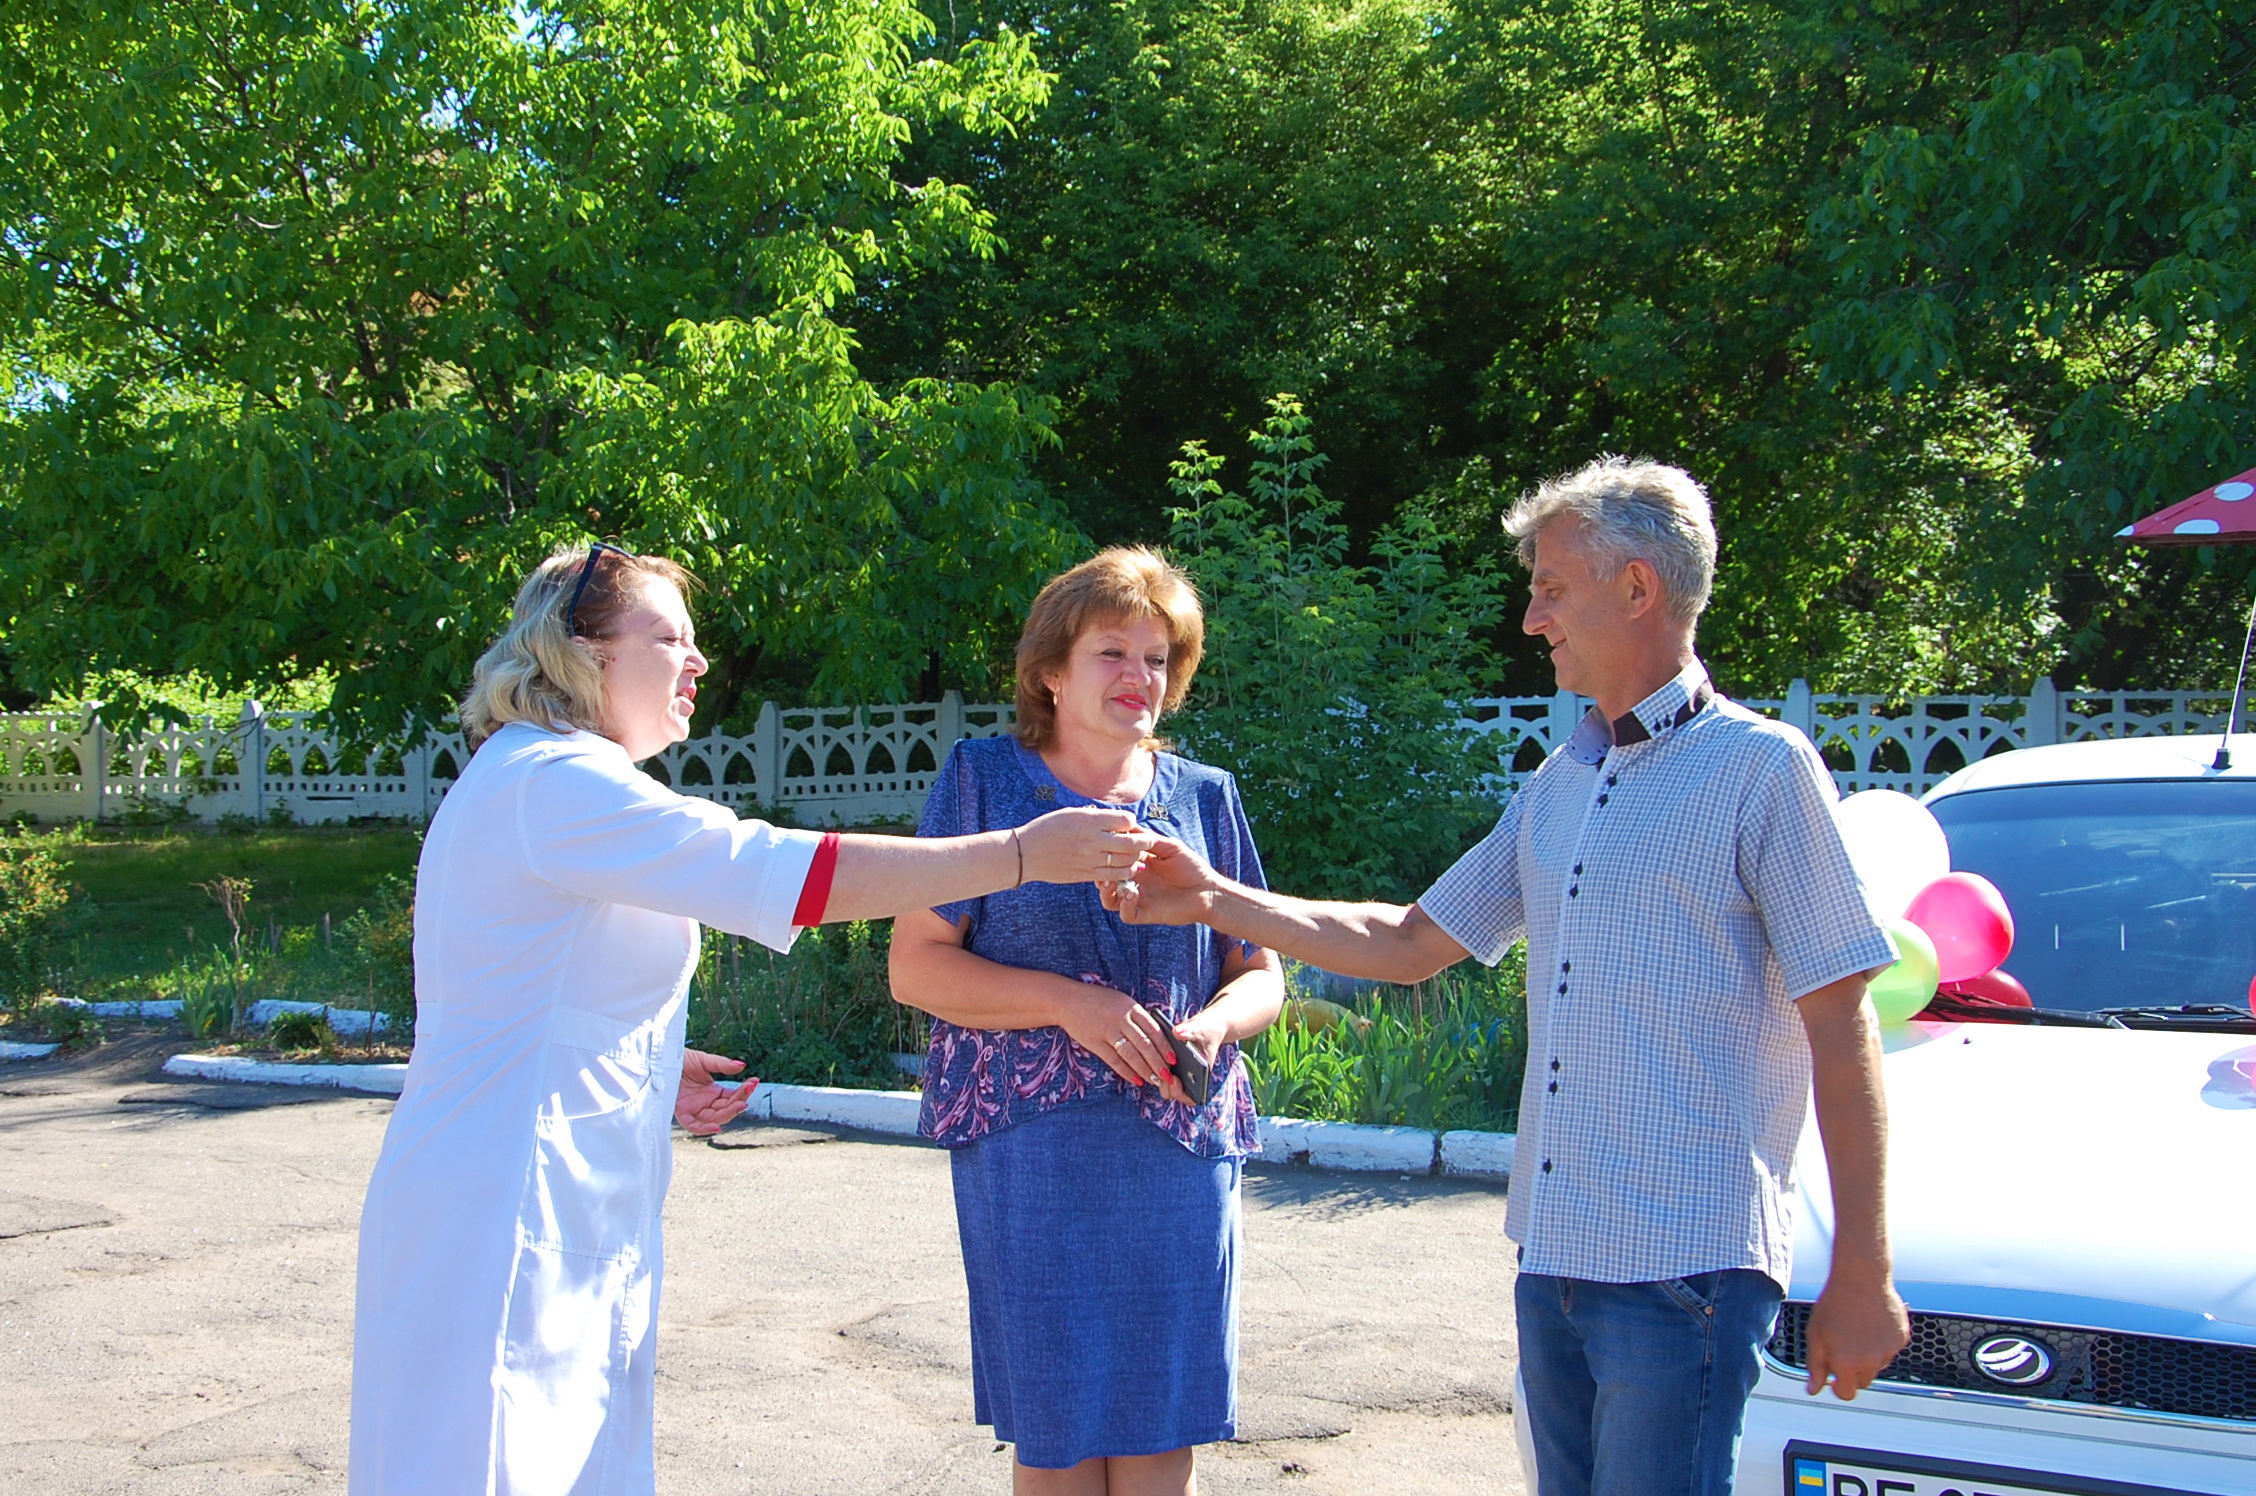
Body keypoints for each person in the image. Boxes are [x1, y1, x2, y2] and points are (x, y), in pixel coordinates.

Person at [1109, 460, 1914, 1496]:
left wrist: (1864, 1269)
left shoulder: (1763, 769)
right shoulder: (1562, 781)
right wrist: (1212, 897)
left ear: (1638, 587)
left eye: (1551, 588)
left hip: (1687, 1270)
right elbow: (1409, 941)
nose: (1533, 618)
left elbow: (1842, 1024)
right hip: (1555, 1260)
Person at [348, 543, 1155, 1496]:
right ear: (583, 651)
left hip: (537, 1174)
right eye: (668, 639)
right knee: (494, 1463)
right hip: (504, 1198)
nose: (698, 661)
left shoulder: (544, 776)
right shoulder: (553, 780)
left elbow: (529, 988)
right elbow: (781, 873)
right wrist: (1018, 853)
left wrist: (649, 1065)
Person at [889, 547, 1285, 1496]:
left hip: (1179, 1147)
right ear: (1051, 673)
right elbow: (916, 966)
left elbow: (1261, 972)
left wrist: (1215, 1027)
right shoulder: (984, 782)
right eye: (1113, 652)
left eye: (1156, 658)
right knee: (1059, 1435)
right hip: (1036, 1155)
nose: (1138, 676)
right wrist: (1072, 1005)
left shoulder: (1205, 797)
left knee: (1162, 1427)